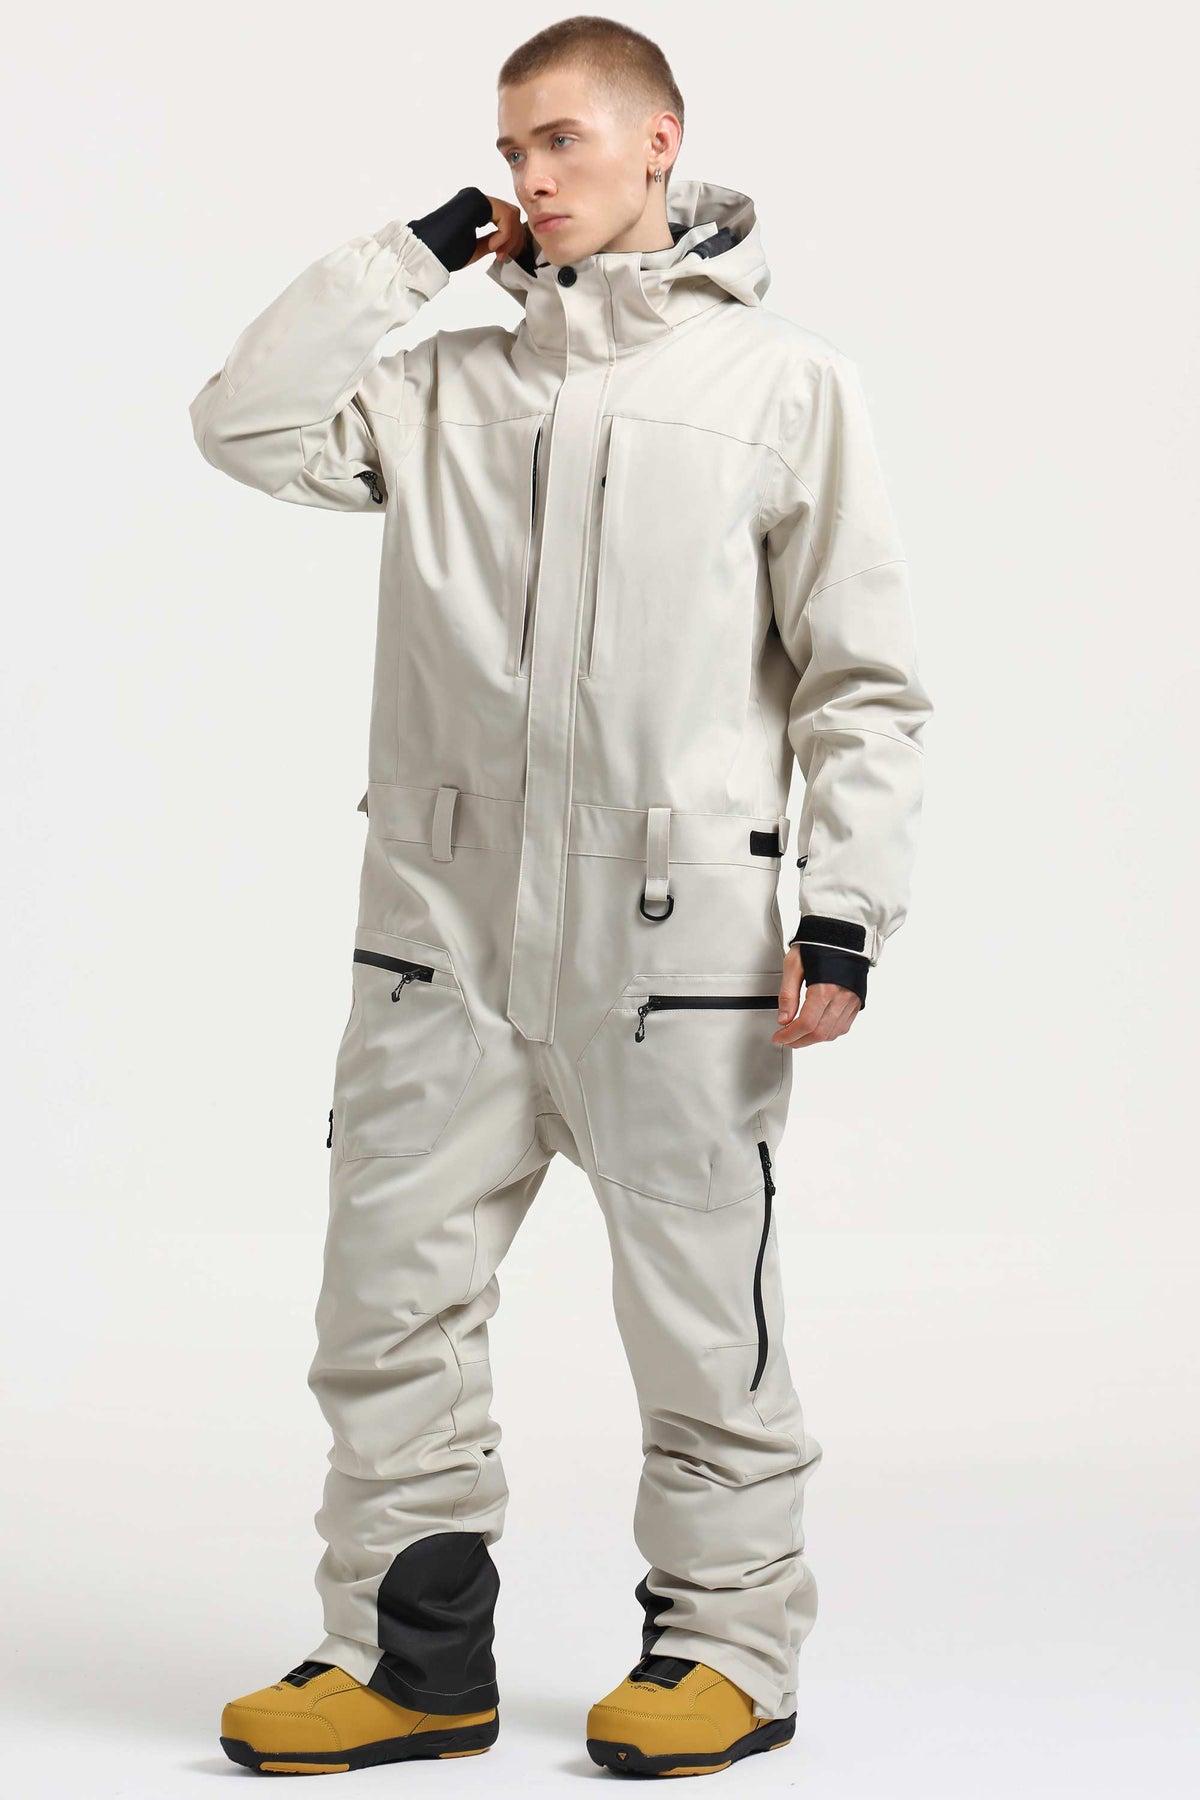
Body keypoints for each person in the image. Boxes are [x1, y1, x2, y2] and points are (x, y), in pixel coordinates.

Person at [189, 14, 933, 1781]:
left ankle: (728, 1651)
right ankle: (407, 1663)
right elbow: (245, 422)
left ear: (661, 140)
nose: (531, 175)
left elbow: (864, 682)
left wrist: (844, 912)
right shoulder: (443, 384)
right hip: (438, 945)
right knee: (387, 1311)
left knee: (702, 1322)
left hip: (673, 956)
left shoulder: (781, 388)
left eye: (562, 141)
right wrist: (417, 254)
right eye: (510, 149)